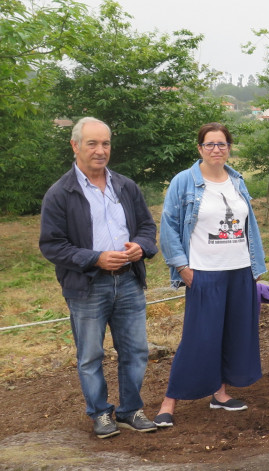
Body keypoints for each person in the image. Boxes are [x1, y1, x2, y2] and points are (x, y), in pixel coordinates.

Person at [39, 117, 158, 438]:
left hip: (129, 281)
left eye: (105, 143)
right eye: (92, 143)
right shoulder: (60, 193)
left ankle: (130, 410)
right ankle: (100, 413)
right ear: (75, 146)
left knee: (136, 351)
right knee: (91, 355)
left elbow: (147, 227)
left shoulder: (125, 186)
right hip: (87, 286)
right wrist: (96, 258)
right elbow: (52, 245)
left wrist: (141, 248)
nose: (100, 150)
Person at [154, 123, 267, 427]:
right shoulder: (184, 182)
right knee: (198, 337)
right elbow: (168, 227)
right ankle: (169, 401)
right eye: (210, 144)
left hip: (240, 270)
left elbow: (247, 226)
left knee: (232, 333)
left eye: (222, 144)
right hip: (204, 272)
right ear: (199, 148)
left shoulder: (237, 180)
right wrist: (181, 266)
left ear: (229, 147)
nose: (216, 149)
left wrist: (256, 268)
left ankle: (220, 394)